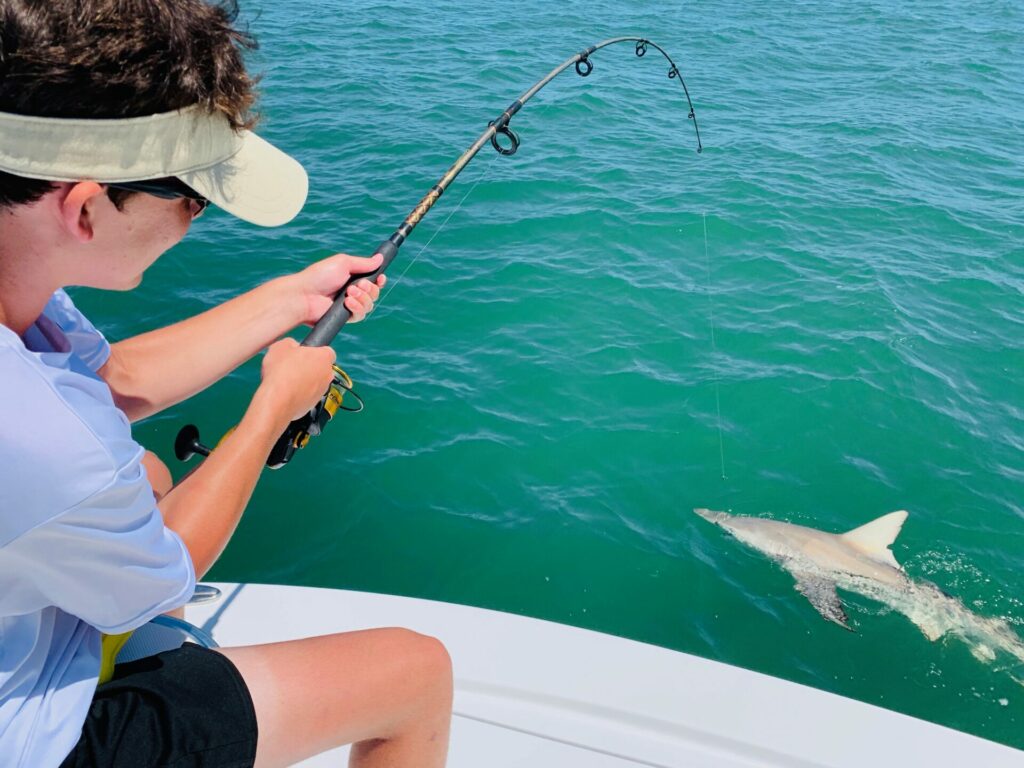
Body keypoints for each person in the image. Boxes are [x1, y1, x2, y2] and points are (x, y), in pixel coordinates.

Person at [0, 1, 453, 766]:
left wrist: (292, 297)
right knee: (416, 672)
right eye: (194, 199)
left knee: (143, 470)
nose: (198, 219)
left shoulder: (20, 279)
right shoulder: (42, 436)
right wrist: (274, 407)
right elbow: (165, 570)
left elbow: (117, 377)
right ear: (82, 207)